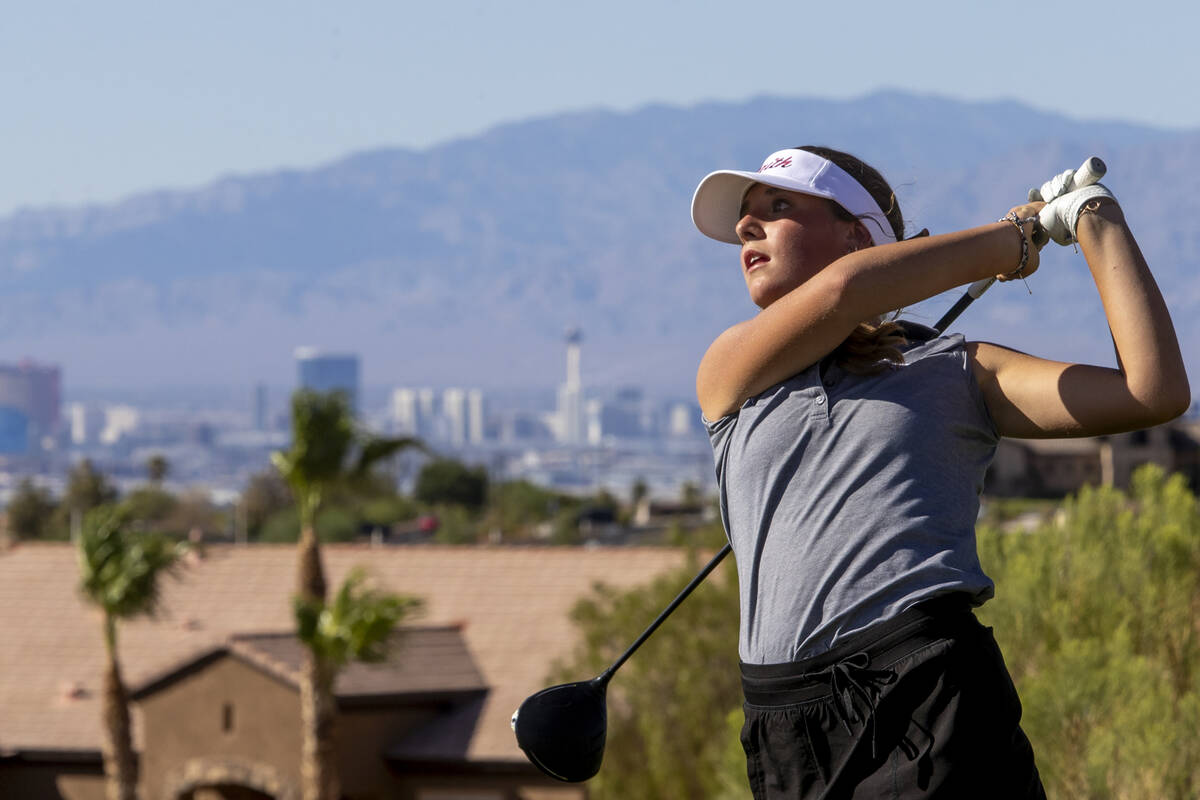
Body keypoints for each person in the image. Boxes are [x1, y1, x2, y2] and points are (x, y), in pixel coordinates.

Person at [691, 146, 1190, 799]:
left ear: (858, 234)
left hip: (926, 698)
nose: (745, 228)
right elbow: (846, 294)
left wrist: (1094, 219)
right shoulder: (732, 372)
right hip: (785, 726)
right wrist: (1012, 240)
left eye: (777, 208)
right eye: (744, 220)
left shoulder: (959, 368)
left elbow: (1150, 391)